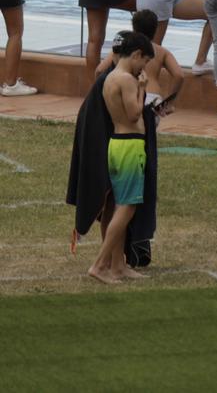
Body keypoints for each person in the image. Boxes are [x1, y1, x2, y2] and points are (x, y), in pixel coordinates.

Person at [73, 30, 153, 284]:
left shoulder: (108, 78)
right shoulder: (127, 80)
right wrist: (142, 89)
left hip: (117, 144)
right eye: (145, 62)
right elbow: (133, 114)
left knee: (118, 204)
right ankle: (99, 264)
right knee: (127, 208)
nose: (143, 68)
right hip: (130, 145)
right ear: (138, 54)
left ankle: (118, 265)